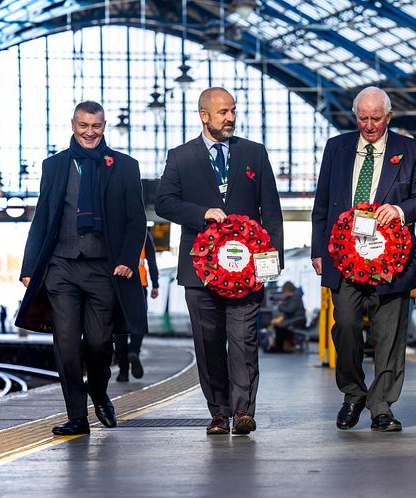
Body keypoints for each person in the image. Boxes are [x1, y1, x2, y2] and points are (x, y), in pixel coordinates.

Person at [155, 87, 283, 435]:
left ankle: (243, 412)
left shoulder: (254, 154)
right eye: (223, 112)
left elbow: (270, 210)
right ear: (204, 115)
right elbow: (164, 203)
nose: (230, 118)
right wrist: (200, 214)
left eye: (233, 111)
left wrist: (272, 261)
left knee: (243, 341)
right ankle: (218, 411)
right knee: (208, 343)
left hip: (247, 272)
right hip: (199, 273)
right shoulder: (181, 157)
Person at [16, 101, 147, 436]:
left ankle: (99, 392)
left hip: (104, 269)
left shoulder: (124, 166)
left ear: (104, 127)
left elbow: (136, 220)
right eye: (83, 126)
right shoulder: (55, 165)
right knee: (67, 343)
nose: (90, 133)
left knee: (100, 344)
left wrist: (127, 260)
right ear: (73, 124)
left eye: (96, 127)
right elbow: (43, 217)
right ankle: (77, 416)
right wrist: (30, 266)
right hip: (61, 267)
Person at [311, 86, 416, 432]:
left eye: (376, 118)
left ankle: (382, 406)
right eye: (362, 118)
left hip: (392, 259)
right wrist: (318, 250)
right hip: (343, 257)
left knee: (389, 335)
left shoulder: (412, 151)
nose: (369, 125)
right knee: (345, 325)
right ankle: (353, 394)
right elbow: (322, 203)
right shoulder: (336, 148)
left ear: (389, 117)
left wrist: (399, 209)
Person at [114, 232, 159, 382]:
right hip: (140, 285)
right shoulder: (144, 235)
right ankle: (133, 350)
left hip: (118, 284)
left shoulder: (115, 231)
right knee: (138, 322)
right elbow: (152, 261)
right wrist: (156, 285)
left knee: (119, 327)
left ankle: (123, 372)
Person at [269, 281, 306, 353]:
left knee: (280, 326)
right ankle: (281, 347)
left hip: (298, 319)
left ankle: (279, 348)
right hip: (295, 318)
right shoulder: (293, 297)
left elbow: (290, 310)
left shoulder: (295, 297)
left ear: (287, 290)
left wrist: (280, 306)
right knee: (279, 327)